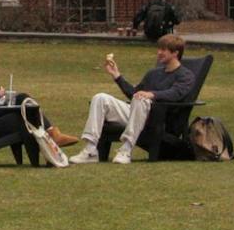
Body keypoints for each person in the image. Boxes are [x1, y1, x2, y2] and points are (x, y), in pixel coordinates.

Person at [68, 34, 198, 164]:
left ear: (175, 53)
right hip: (137, 113)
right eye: (159, 49)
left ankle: (126, 150)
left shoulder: (186, 76)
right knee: (100, 98)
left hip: (158, 120)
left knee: (141, 99)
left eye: (163, 50)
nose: (159, 53)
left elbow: (176, 93)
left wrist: (152, 95)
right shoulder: (153, 74)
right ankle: (90, 150)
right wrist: (117, 76)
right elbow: (134, 94)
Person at [0, 42, 79, 149]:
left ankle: (52, 135)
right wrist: (1, 98)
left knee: (23, 98)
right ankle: (52, 138)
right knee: (26, 112)